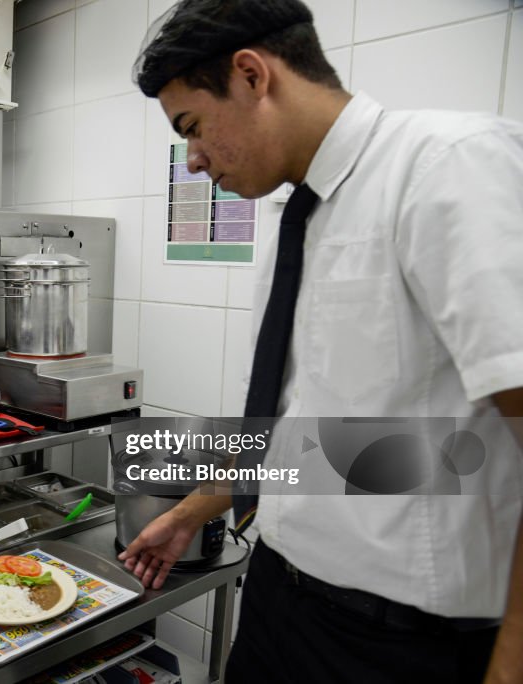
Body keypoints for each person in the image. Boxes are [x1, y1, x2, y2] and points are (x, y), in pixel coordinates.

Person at [119, 1, 523, 683]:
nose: (192, 161)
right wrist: (190, 511)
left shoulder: (446, 166)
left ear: (251, 75)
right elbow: (320, 438)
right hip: (279, 594)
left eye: (192, 128)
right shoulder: (302, 217)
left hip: (398, 642)